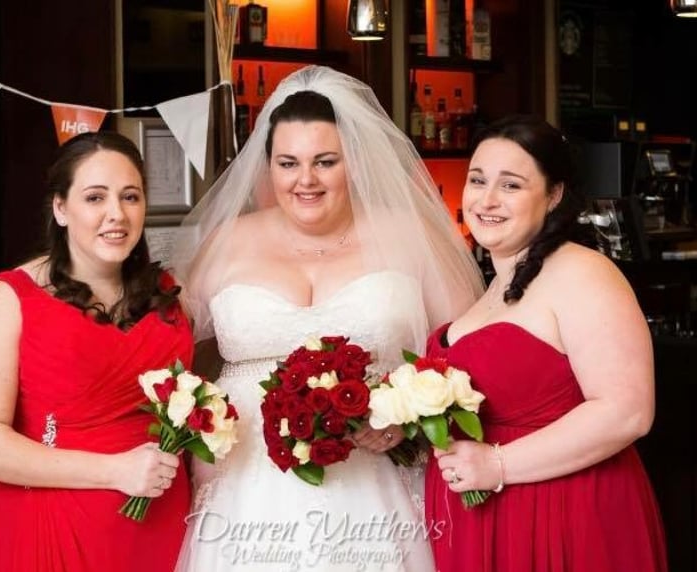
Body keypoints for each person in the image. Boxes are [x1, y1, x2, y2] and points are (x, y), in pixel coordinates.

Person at [171, 65, 485, 570]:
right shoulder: (226, 242)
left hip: (376, 480)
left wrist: (408, 419)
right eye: (288, 163)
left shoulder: (408, 236)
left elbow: (468, 352)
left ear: (354, 161)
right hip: (243, 486)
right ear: (268, 166)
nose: (306, 180)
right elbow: (170, 350)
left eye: (325, 161)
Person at [424, 114, 668, 571]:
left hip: (564, 511)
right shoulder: (492, 287)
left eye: (511, 185)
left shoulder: (582, 272)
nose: (487, 200)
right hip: (487, 517)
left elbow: (628, 411)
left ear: (553, 195)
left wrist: (498, 464)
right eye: (477, 180)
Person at [0, 131, 194, 572]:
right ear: (61, 208)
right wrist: (116, 471)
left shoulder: (170, 293)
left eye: (130, 196)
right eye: (95, 198)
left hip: (159, 528)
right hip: (48, 528)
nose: (116, 214)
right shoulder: (10, 298)